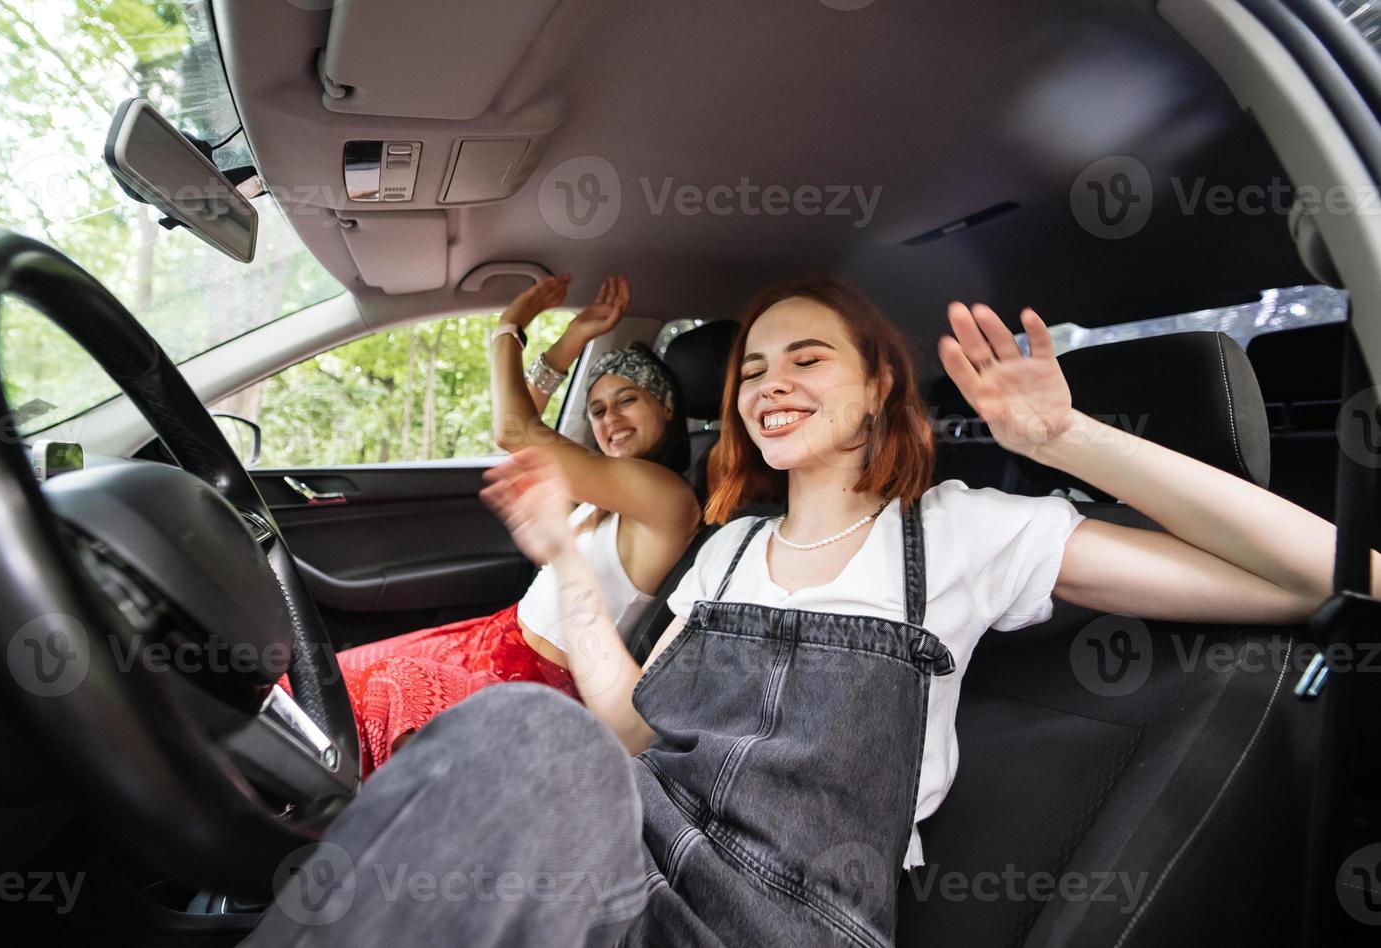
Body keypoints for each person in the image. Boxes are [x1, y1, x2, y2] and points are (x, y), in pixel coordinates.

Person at [254, 277, 1371, 947]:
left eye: (807, 356)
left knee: (518, 731)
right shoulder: (730, 543)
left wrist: (1066, 443)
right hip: (625, 867)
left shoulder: (964, 529)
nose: (767, 382)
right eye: (750, 368)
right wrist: (561, 559)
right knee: (517, 729)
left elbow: (1334, 576)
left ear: (879, 385)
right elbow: (640, 732)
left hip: (776, 920)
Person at [331, 274, 701, 775]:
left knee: (365, 699)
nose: (609, 418)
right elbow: (524, 410)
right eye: (596, 409)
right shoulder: (606, 484)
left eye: (628, 399)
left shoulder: (666, 494)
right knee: (329, 682)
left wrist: (508, 328)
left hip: (536, 679)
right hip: (493, 638)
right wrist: (570, 342)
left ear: (667, 405)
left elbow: (512, 429)